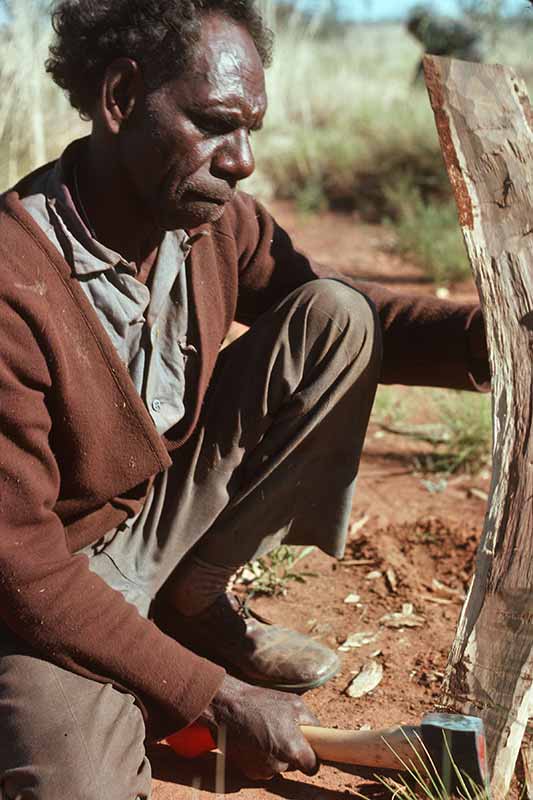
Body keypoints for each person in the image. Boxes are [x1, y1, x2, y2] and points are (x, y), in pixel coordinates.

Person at [0, 0, 489, 797]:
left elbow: (347, 310)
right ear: (120, 99)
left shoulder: (208, 222)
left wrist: (487, 338)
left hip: (158, 519)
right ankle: (147, 659)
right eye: (216, 124)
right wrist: (212, 692)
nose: (242, 161)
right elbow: (23, 570)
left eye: (250, 128)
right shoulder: (13, 285)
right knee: (74, 783)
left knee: (334, 317)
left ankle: (188, 602)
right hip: (49, 584)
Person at [407, 4, 484, 83]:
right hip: (471, 48)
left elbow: (432, 54)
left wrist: (417, 80)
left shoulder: (433, 28)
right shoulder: (435, 24)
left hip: (470, 50)